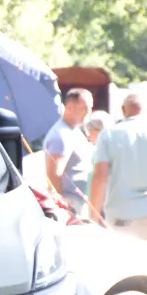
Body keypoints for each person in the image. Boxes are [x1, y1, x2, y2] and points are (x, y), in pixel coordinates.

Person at [90, 89, 147, 246]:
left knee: (125, 269)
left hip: (121, 219)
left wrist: (93, 217)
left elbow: (100, 177)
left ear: (123, 111)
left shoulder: (108, 135)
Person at [44, 88, 94, 216]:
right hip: (69, 203)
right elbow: (54, 174)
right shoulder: (61, 136)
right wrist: (62, 205)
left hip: (78, 200)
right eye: (85, 107)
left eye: (90, 107)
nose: (89, 112)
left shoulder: (73, 131)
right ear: (70, 107)